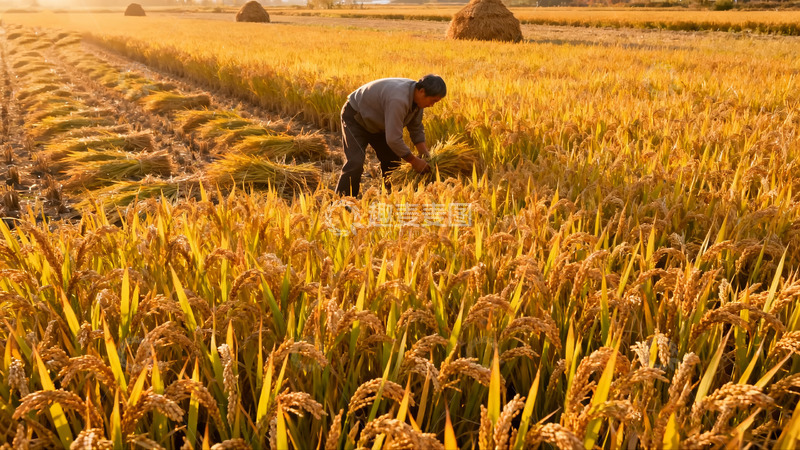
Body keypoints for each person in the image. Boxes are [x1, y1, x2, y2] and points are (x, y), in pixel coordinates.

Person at [335, 75, 446, 197]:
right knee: (355, 163)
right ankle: (342, 202)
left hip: (380, 122)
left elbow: (416, 128)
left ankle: (391, 197)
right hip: (357, 118)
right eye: (433, 100)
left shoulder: (418, 102)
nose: (432, 105)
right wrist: (414, 161)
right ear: (421, 91)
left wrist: (425, 154)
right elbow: (393, 139)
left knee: (392, 162)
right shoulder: (398, 99)